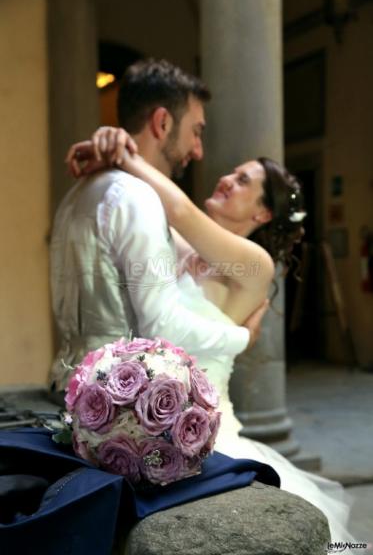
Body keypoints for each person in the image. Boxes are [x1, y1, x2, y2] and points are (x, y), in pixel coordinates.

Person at [67, 126, 356, 547]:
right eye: (233, 172)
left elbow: (181, 209)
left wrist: (125, 154)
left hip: (204, 425)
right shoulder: (182, 244)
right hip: (143, 408)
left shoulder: (254, 264)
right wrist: (107, 149)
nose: (226, 179)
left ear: (262, 216)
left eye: (243, 182)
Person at [49, 59, 268, 398]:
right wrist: (244, 337)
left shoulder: (75, 193)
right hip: (120, 404)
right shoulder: (140, 199)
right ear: (163, 122)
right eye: (196, 131)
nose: (198, 151)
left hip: (68, 389)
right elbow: (162, 327)